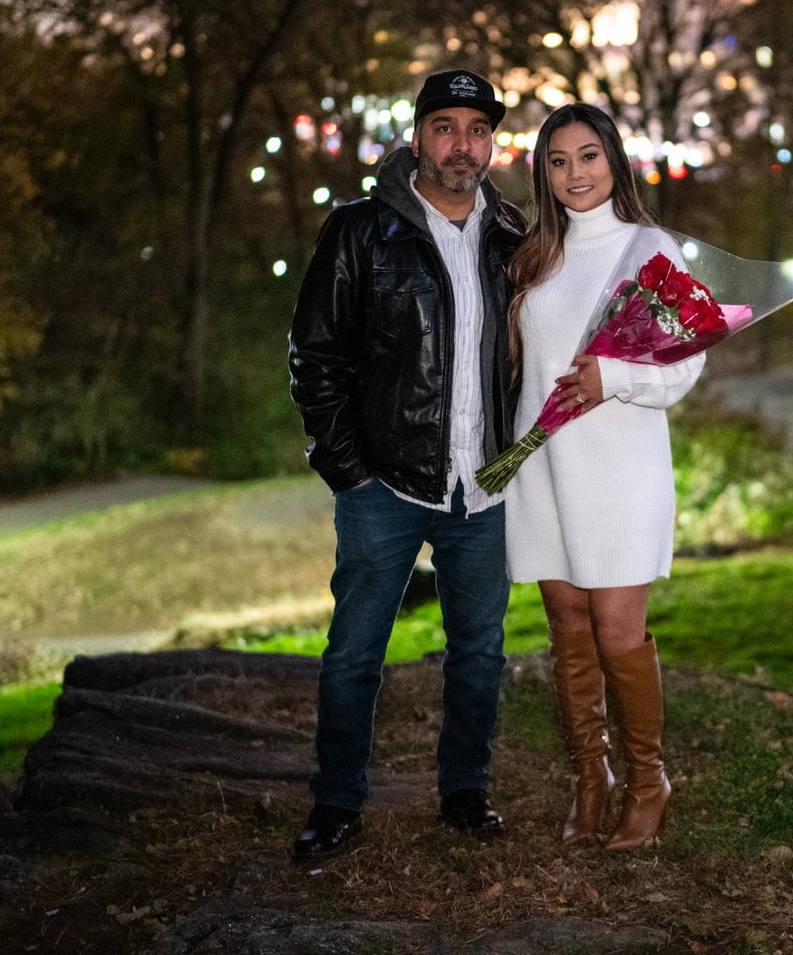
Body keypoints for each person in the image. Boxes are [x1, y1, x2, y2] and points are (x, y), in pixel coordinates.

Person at [286, 69, 525, 858]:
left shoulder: (513, 237)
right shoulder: (360, 230)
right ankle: (337, 801)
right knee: (355, 652)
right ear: (417, 136)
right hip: (383, 484)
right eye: (446, 126)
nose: (464, 143)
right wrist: (348, 467)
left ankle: (464, 791)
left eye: (478, 129)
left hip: (483, 487)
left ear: (492, 143)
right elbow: (315, 356)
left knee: (480, 651)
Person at [503, 102, 704, 850]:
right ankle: (595, 776)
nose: (574, 173)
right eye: (558, 161)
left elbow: (689, 361)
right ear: (543, 172)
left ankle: (650, 778)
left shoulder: (649, 248)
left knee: (619, 630)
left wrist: (614, 375)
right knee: (568, 626)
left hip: (620, 469)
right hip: (545, 467)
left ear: (614, 160)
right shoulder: (536, 256)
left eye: (588, 156)